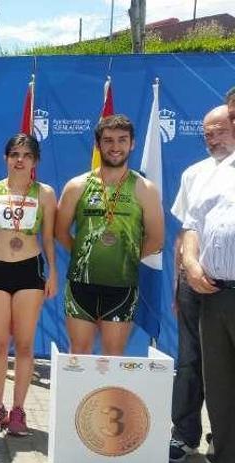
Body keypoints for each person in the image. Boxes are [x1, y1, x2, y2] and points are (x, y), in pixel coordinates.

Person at [54, 114, 164, 356]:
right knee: (78, 355)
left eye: (122, 140)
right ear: (98, 144)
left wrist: (127, 256)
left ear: (132, 143)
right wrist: (84, 254)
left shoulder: (145, 189)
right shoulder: (77, 186)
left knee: (111, 358)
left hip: (121, 287)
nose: (115, 147)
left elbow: (156, 238)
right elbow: (60, 231)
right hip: (81, 285)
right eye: (108, 140)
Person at [0, 133, 57, 436]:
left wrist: (53, 273)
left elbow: (48, 238)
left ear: (35, 161)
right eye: (14, 154)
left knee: (24, 344)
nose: (20, 160)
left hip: (30, 270)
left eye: (26, 155)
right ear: (6, 158)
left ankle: (19, 410)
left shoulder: (45, 193)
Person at [168, 105, 235, 463]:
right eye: (207, 134)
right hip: (193, 285)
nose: (213, 139)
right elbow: (186, 231)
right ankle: (184, 434)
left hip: (230, 289)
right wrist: (180, 280)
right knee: (190, 361)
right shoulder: (194, 174)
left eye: (220, 130)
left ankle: (222, 443)